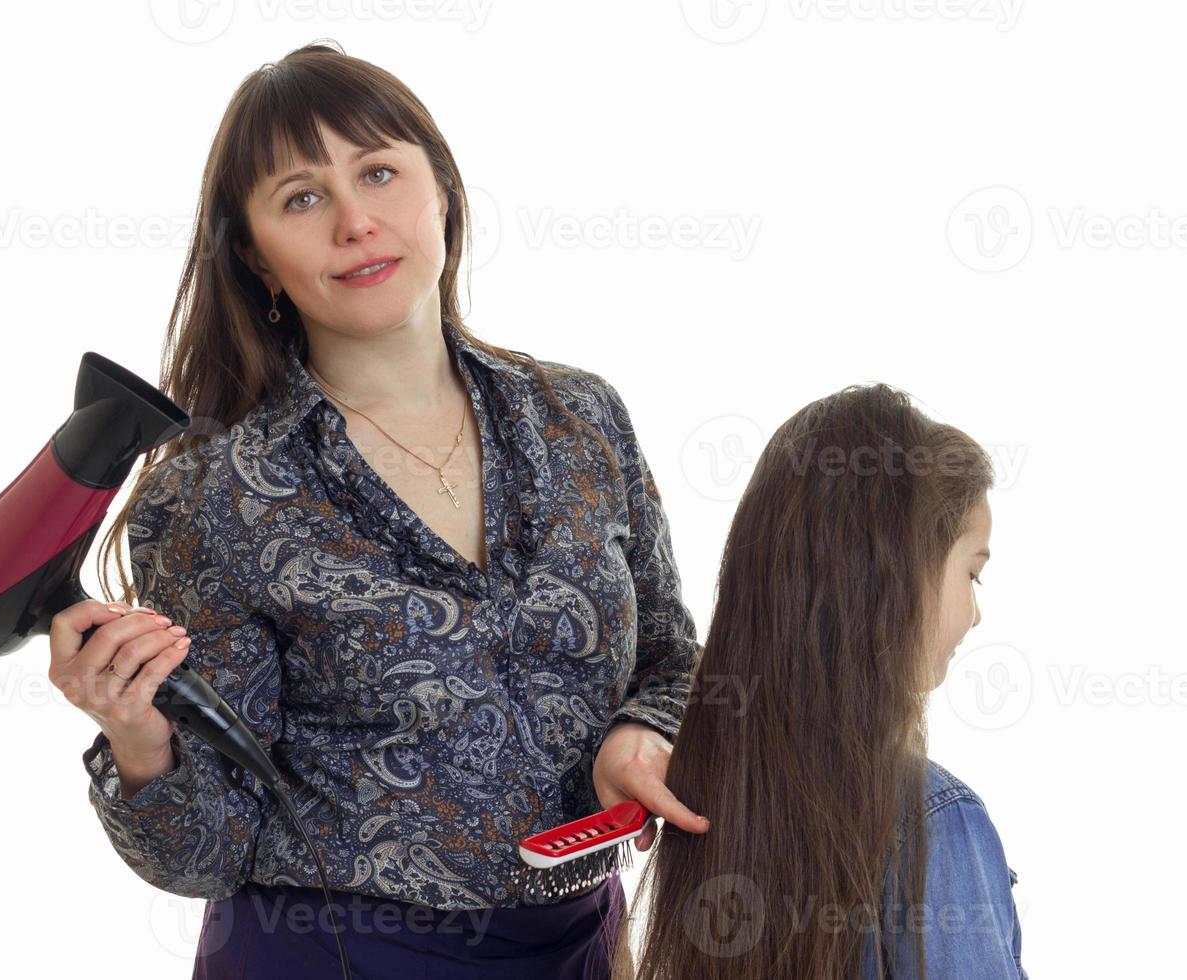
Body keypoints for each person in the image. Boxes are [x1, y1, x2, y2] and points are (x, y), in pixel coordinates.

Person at [44, 42, 706, 979]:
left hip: (580, 943)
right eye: (303, 198)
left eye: (380, 172)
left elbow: (672, 655)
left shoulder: (580, 417)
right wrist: (139, 740)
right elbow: (205, 855)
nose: (356, 221)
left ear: (443, 194)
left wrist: (649, 726)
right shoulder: (216, 493)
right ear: (257, 260)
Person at [619, 384, 1027, 979]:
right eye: (973, 575)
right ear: (897, 577)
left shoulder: (718, 790)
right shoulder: (934, 820)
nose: (976, 613)